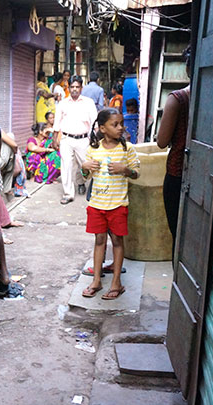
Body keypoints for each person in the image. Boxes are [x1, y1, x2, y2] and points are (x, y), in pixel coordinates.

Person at [80, 108, 140, 300]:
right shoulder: (93, 150)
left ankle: (116, 282)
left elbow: (137, 174)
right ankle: (96, 280)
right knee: (99, 241)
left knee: (116, 241)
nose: (120, 127)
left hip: (118, 205)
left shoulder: (127, 149)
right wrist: (84, 168)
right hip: (97, 204)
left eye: (121, 123)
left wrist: (126, 170)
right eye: (115, 125)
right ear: (103, 128)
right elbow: (86, 176)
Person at [157, 46, 191, 258]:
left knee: (178, 234)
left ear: (187, 68)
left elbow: (161, 141)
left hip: (178, 173)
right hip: (207, 175)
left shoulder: (177, 99)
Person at [54, 75, 98, 203]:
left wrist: (96, 138)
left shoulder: (88, 102)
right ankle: (68, 194)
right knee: (66, 166)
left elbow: (94, 122)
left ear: (81, 88)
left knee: (86, 165)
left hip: (83, 140)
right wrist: (54, 139)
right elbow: (57, 122)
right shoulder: (63, 104)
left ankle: (81, 182)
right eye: (72, 87)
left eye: (77, 87)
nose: (74, 89)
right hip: (66, 139)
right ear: (68, 87)